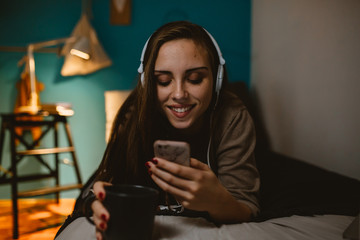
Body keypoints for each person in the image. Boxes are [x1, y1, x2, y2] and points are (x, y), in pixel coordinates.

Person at [55, 20, 260, 240]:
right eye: (163, 81)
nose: (179, 93)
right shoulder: (133, 114)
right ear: (148, 83)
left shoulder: (233, 116)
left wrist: (217, 201)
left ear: (217, 80)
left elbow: (245, 207)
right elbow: (97, 190)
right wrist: (97, 203)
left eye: (195, 79)